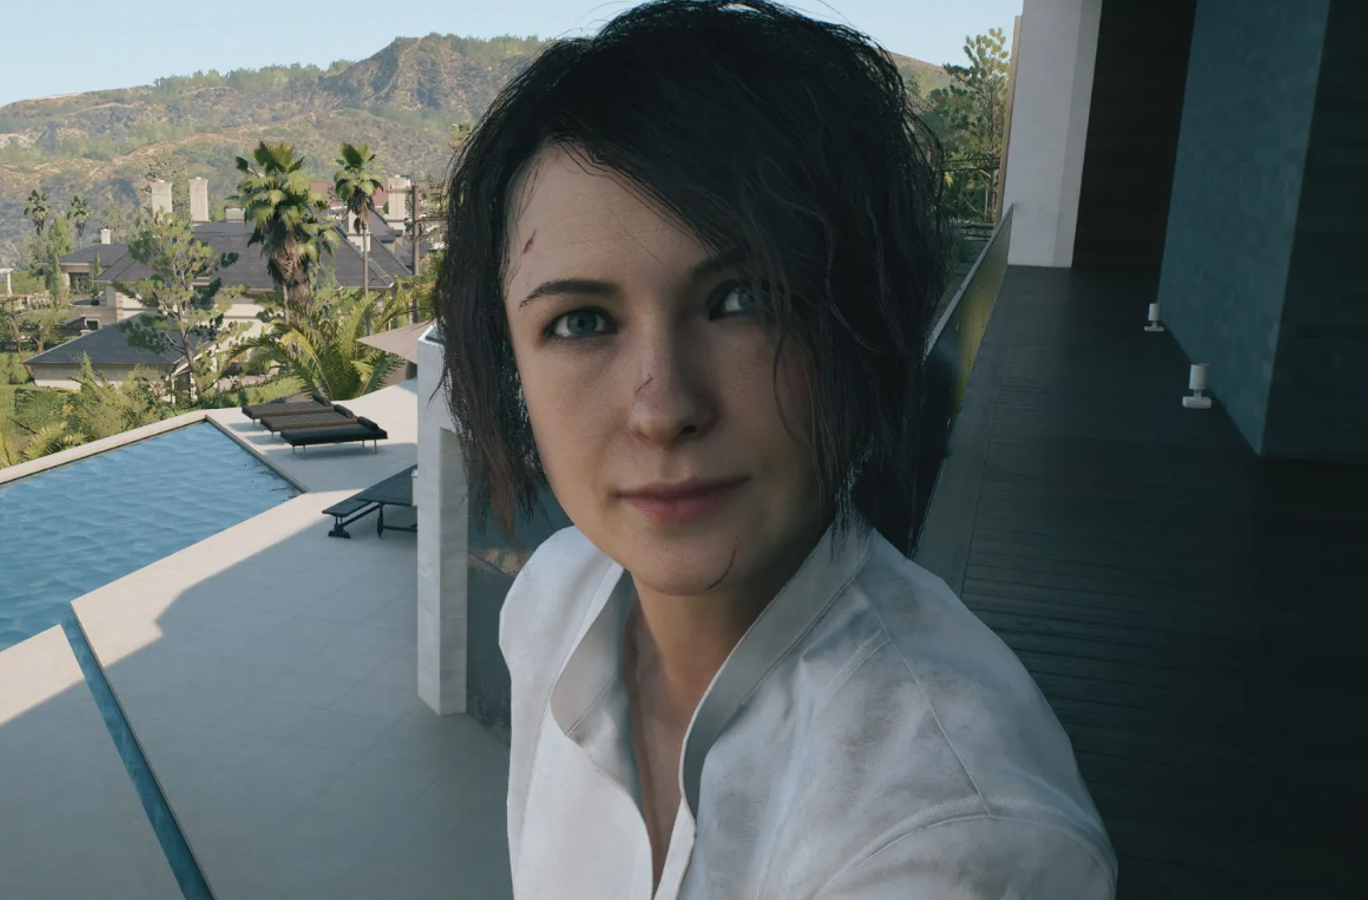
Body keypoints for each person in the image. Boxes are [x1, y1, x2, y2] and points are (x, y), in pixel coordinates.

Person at [431, 1, 1117, 897]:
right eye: (582, 321)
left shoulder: (950, 842)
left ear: (861, 328)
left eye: (744, 299)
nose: (664, 409)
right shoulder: (549, 607)